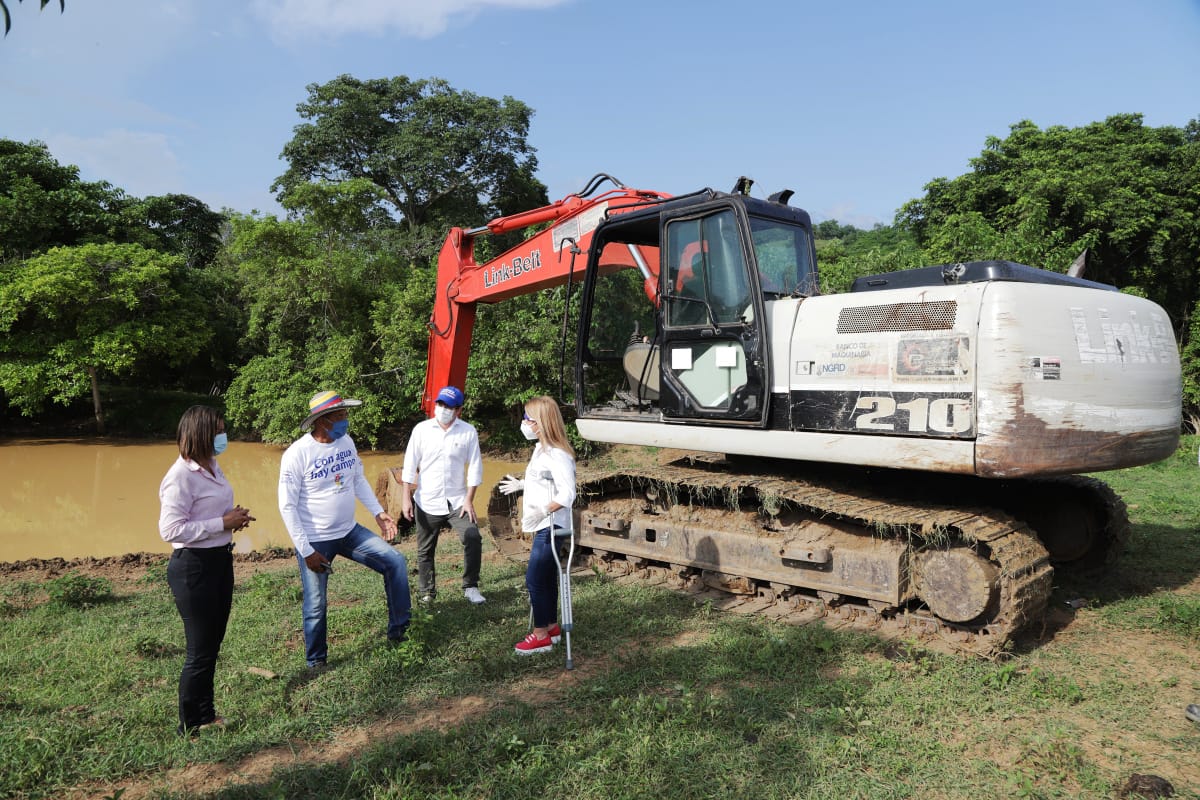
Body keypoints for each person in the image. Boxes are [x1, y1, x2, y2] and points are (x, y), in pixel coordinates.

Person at [279, 390, 410, 669]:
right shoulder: (297, 455)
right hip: (315, 541)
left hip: (349, 532)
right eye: (340, 415)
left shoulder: (346, 442)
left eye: (345, 414)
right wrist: (306, 551)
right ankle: (316, 661)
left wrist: (378, 512)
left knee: (395, 562)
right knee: (316, 604)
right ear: (323, 420)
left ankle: (401, 633)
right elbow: (287, 507)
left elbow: (357, 480)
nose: (346, 420)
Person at [159, 405, 254, 735]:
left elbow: (209, 515)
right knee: (199, 652)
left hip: (219, 562)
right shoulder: (180, 477)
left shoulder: (212, 466)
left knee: (212, 646)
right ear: (201, 434)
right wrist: (221, 523)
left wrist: (232, 518)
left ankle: (207, 713)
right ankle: (188, 724)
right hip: (193, 569)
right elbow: (171, 530)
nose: (223, 436)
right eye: (219, 431)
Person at [498, 395, 576, 654]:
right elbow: (544, 480)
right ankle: (551, 627)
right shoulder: (541, 449)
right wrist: (523, 485)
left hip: (552, 525)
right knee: (545, 578)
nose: (524, 423)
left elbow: (567, 494)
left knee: (534, 579)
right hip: (543, 525)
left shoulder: (558, 454)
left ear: (540, 423)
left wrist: (543, 510)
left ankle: (540, 635)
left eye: (527, 419)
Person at [400, 385, 486, 605]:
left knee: (472, 537)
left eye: (449, 406)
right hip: (427, 500)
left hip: (458, 501)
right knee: (425, 549)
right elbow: (409, 465)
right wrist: (405, 498)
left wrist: (469, 499)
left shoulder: (468, 431)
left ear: (459, 410)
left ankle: (470, 586)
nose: (443, 409)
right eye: (440, 404)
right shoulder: (421, 429)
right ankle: (427, 592)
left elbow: (475, 467)